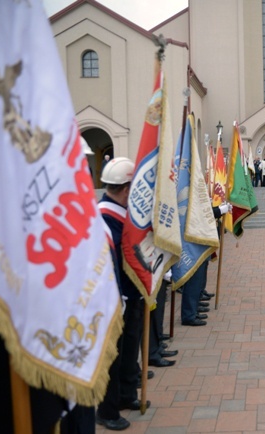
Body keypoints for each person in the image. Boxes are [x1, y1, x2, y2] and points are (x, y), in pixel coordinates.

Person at [96, 157, 149, 431]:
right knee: (113, 358)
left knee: (130, 351)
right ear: (127, 189)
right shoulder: (103, 219)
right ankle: (107, 409)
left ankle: (127, 395)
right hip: (114, 300)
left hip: (132, 295)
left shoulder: (121, 215)